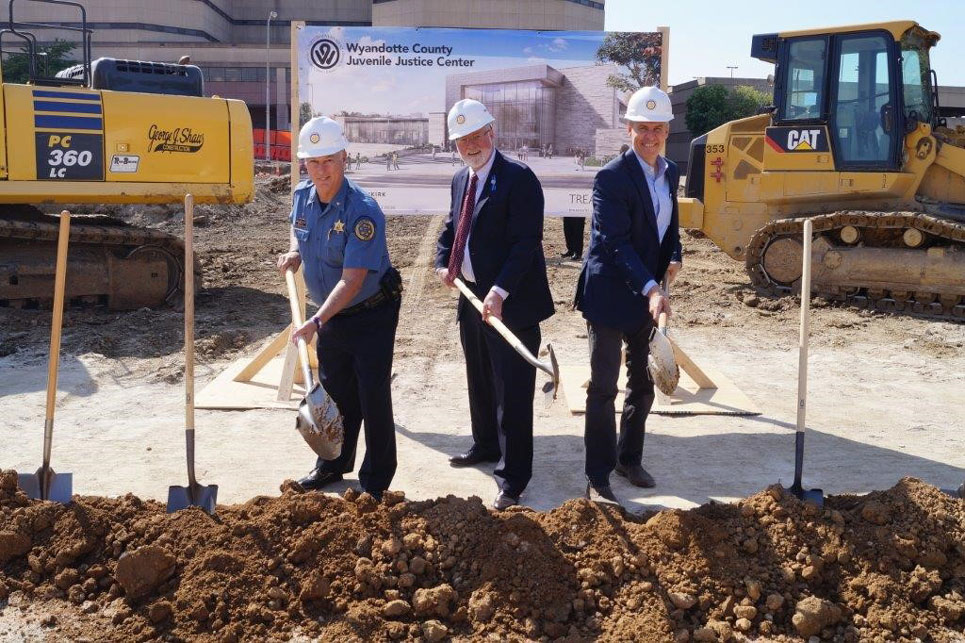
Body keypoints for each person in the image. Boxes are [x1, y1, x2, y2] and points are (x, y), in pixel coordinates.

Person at [434, 99, 554, 511]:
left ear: (492, 133)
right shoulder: (459, 179)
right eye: (462, 140)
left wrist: (499, 292)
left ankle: (513, 478)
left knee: (513, 391)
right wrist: (443, 262)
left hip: (511, 303)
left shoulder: (519, 179)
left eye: (476, 136)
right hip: (471, 298)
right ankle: (485, 446)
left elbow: (526, 245)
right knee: (480, 378)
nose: (470, 145)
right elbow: (452, 227)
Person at [277, 117, 403, 501]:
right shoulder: (302, 196)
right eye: (313, 162)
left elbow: (352, 281)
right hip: (330, 313)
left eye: (329, 160)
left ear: (344, 158)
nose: (321, 170)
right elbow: (302, 237)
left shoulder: (362, 211)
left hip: (370, 311)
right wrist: (295, 255)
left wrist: (316, 320)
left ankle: (377, 480)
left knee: (371, 392)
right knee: (334, 393)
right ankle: (331, 464)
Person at [573, 86, 682, 505]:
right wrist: (652, 288)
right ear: (629, 128)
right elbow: (615, 243)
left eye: (657, 129)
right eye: (642, 129)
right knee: (603, 386)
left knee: (642, 383)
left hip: (646, 294)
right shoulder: (610, 177)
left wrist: (674, 255)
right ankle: (598, 473)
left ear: (667, 130)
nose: (649, 136)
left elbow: (668, 229)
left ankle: (628, 459)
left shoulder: (670, 172)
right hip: (609, 294)